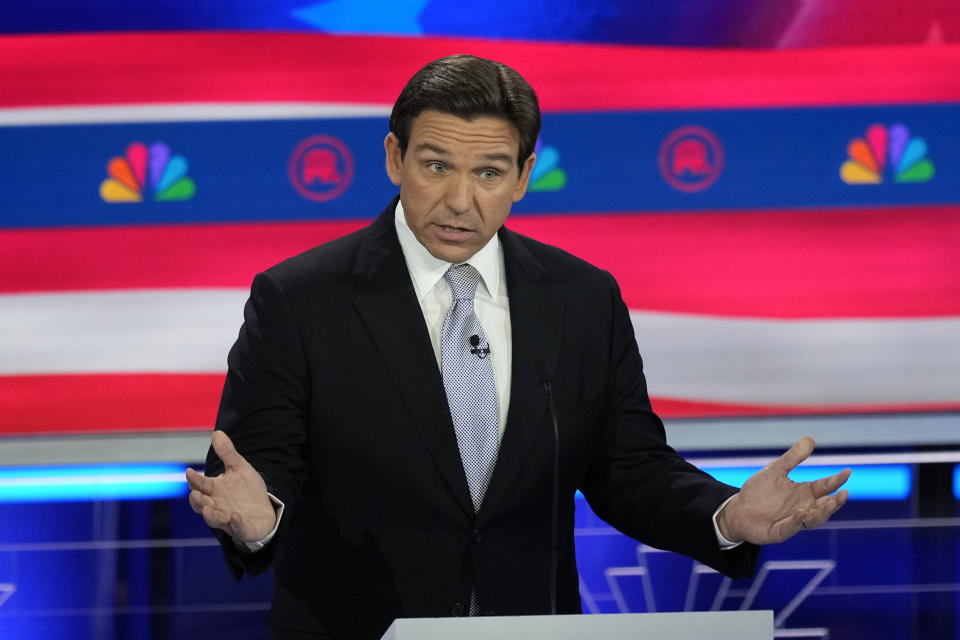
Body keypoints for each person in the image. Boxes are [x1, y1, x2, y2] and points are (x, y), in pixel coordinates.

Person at [186, 54, 850, 639]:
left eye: (489, 172)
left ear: (524, 175)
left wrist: (728, 514)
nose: (459, 200)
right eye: (436, 165)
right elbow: (264, 467)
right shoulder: (301, 299)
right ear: (395, 157)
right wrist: (257, 516)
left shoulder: (580, 297)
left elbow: (630, 470)